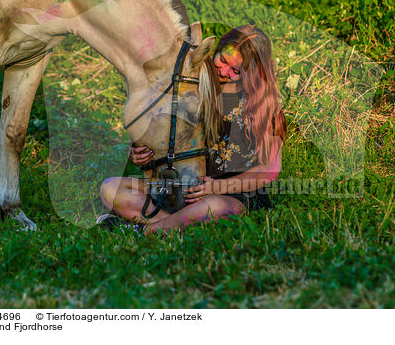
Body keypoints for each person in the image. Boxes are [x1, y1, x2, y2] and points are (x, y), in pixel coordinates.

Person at [99, 25, 287, 234]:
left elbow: (270, 170)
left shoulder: (261, 107)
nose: (223, 72)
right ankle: (174, 225)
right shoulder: (194, 85)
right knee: (110, 188)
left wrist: (217, 187)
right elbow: (163, 132)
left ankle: (143, 231)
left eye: (236, 71)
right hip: (180, 188)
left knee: (216, 207)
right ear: (217, 49)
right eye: (223, 60)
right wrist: (137, 152)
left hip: (232, 195)